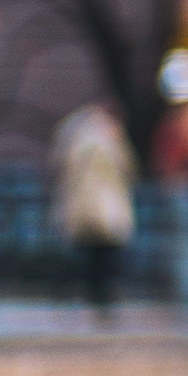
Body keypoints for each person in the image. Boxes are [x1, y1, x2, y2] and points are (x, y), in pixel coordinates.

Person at [50, 101, 137, 321]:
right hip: (106, 208)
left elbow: (59, 167)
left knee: (87, 255)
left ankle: (85, 295)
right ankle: (102, 298)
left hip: (83, 207)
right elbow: (129, 169)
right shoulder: (110, 139)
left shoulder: (73, 138)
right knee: (104, 256)